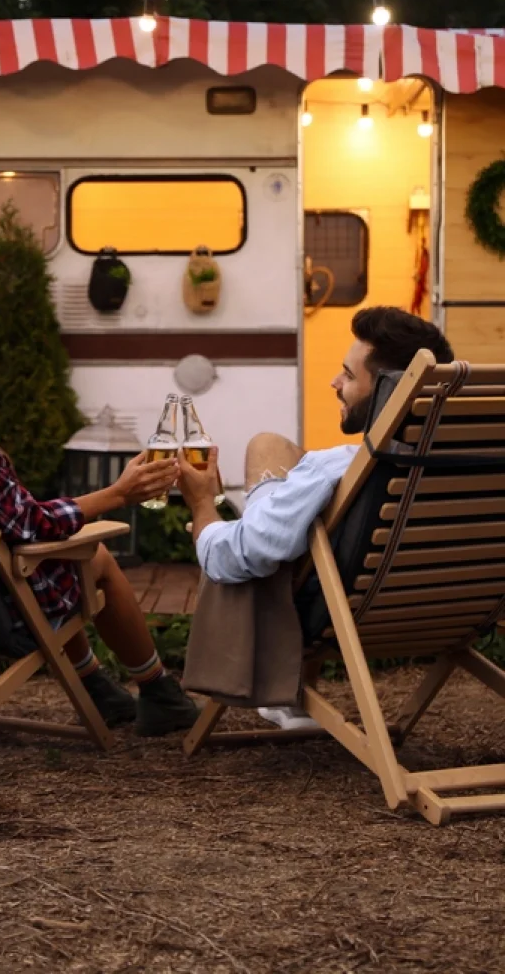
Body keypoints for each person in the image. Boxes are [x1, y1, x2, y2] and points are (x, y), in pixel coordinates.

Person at [0, 328, 199, 737]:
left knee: (59, 563)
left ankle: (95, 686)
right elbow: (32, 526)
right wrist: (118, 494)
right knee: (92, 557)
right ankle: (158, 691)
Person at [177, 306, 454, 729]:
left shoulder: (335, 469)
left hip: (338, 608)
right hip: (442, 605)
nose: (334, 382)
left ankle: (281, 692)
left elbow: (233, 560)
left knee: (251, 524)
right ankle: (271, 511)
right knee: (269, 446)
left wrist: (202, 504)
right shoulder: (469, 467)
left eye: (347, 374)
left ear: (384, 392)